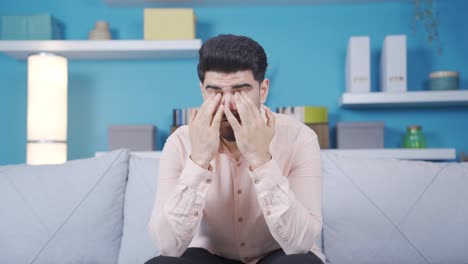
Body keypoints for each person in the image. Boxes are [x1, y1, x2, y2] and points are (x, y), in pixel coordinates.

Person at [146, 34, 324, 264]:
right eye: (216, 92)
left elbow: (300, 244)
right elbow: (167, 246)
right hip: (210, 257)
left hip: (278, 255)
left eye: (240, 91)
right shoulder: (179, 142)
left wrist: (262, 160)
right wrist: (198, 161)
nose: (228, 104)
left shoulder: (300, 138)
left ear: (263, 90)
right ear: (202, 91)